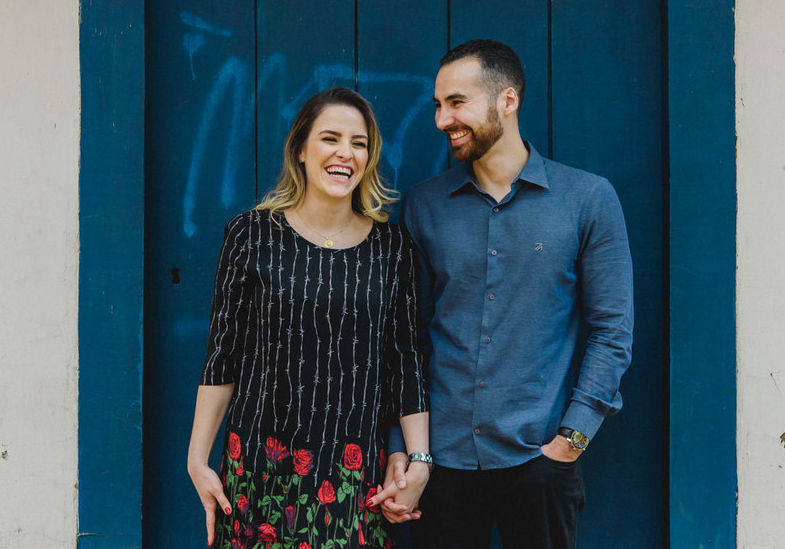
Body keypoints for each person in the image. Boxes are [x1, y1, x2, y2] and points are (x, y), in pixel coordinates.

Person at [372, 39, 634, 549]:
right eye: (438, 105)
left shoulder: (587, 199)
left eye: (456, 102)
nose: (442, 119)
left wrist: (571, 441)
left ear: (507, 101)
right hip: (441, 465)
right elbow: (407, 338)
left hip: (538, 462)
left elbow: (612, 332)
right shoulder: (425, 205)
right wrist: (400, 447)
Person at [188, 86, 432, 549]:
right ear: (300, 149)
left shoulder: (392, 248)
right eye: (330, 139)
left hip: (352, 476)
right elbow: (223, 354)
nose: (345, 153)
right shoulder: (251, 235)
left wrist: (419, 457)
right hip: (259, 467)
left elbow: (406, 360)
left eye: (359, 144)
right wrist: (197, 459)